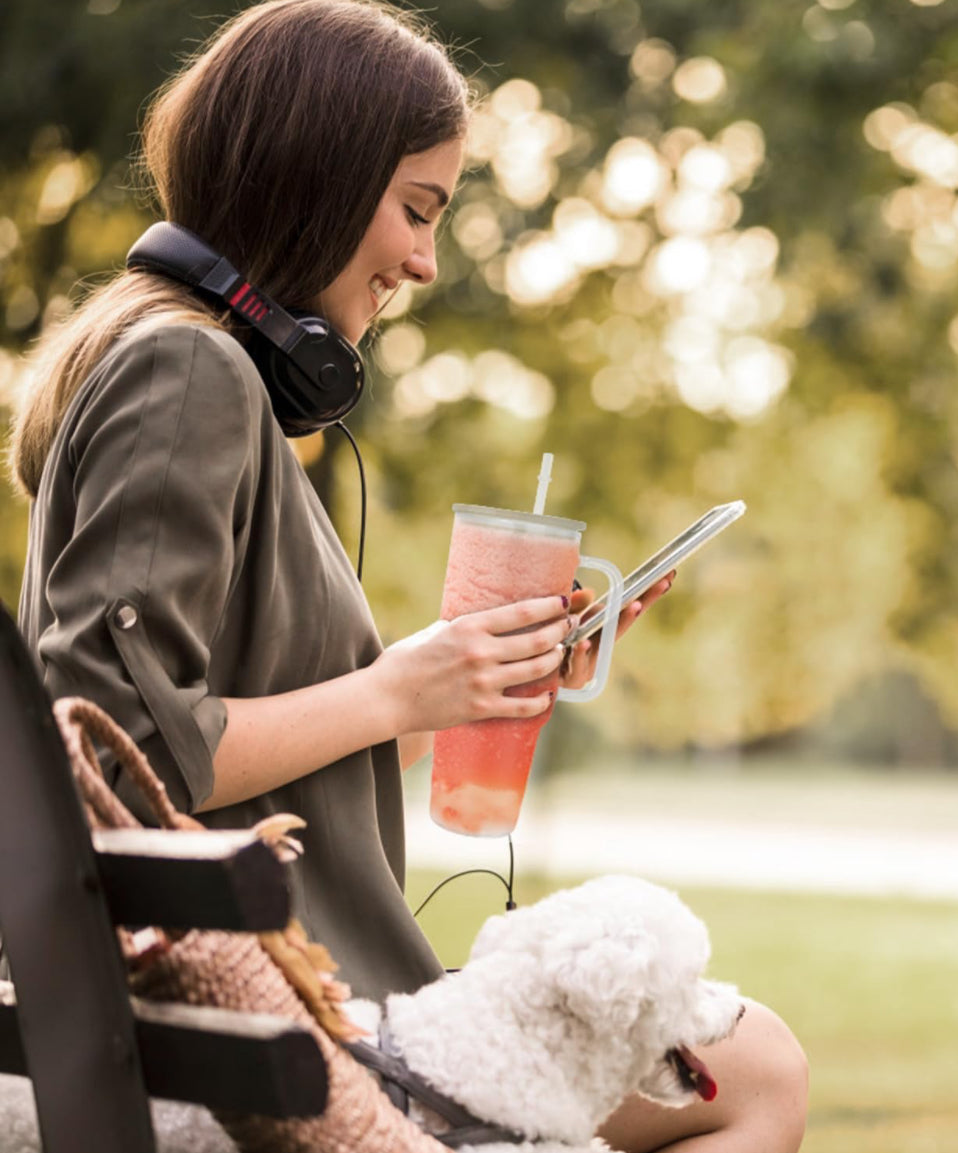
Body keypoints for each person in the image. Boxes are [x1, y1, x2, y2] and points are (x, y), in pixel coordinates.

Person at [8, 1, 807, 1149]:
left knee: (751, 1057)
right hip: (287, 1029)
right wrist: (400, 687)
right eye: (415, 211)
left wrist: (468, 681)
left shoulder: (177, 366)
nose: (426, 262)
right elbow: (118, 746)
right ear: (315, 179)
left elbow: (225, 745)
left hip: (277, 1008)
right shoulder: (191, 371)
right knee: (764, 1071)